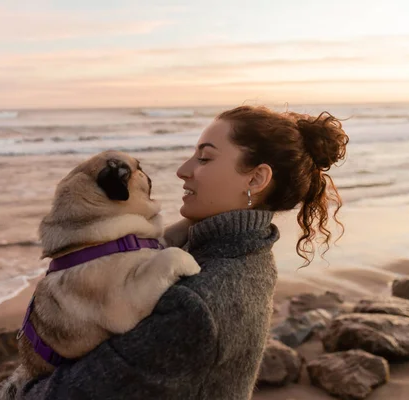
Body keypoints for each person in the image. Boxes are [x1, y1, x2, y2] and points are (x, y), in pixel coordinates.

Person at [19, 105, 349, 400]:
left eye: (204, 158)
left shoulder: (199, 304)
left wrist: (19, 384)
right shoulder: (244, 252)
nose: (183, 170)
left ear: (257, 178)